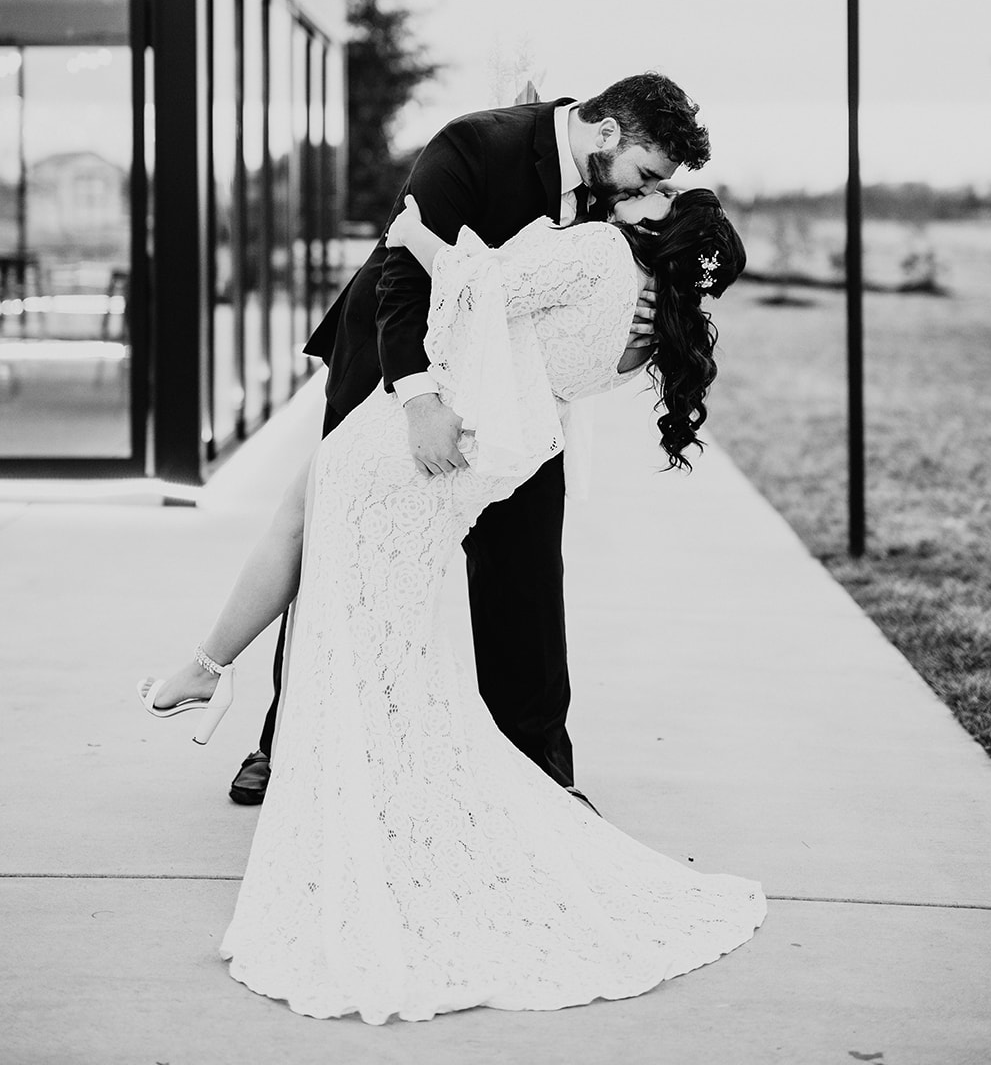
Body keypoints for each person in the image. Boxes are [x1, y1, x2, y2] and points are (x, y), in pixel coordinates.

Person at [138, 185, 766, 1023]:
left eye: (648, 196)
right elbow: (537, 356)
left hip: (427, 438)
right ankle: (217, 670)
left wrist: (417, 235)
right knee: (369, 604)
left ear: (654, 227)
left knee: (354, 611)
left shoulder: (600, 254)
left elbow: (482, 289)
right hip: (479, 468)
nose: (628, 199)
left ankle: (257, 705)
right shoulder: (648, 340)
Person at [226, 74, 711, 808]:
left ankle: (538, 769)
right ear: (607, 133)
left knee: (524, 568)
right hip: (393, 358)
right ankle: (286, 736)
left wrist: (645, 315)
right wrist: (417, 397)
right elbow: (401, 273)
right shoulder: (475, 143)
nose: (647, 192)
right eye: (647, 174)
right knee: (344, 544)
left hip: (515, 396)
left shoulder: (610, 196)